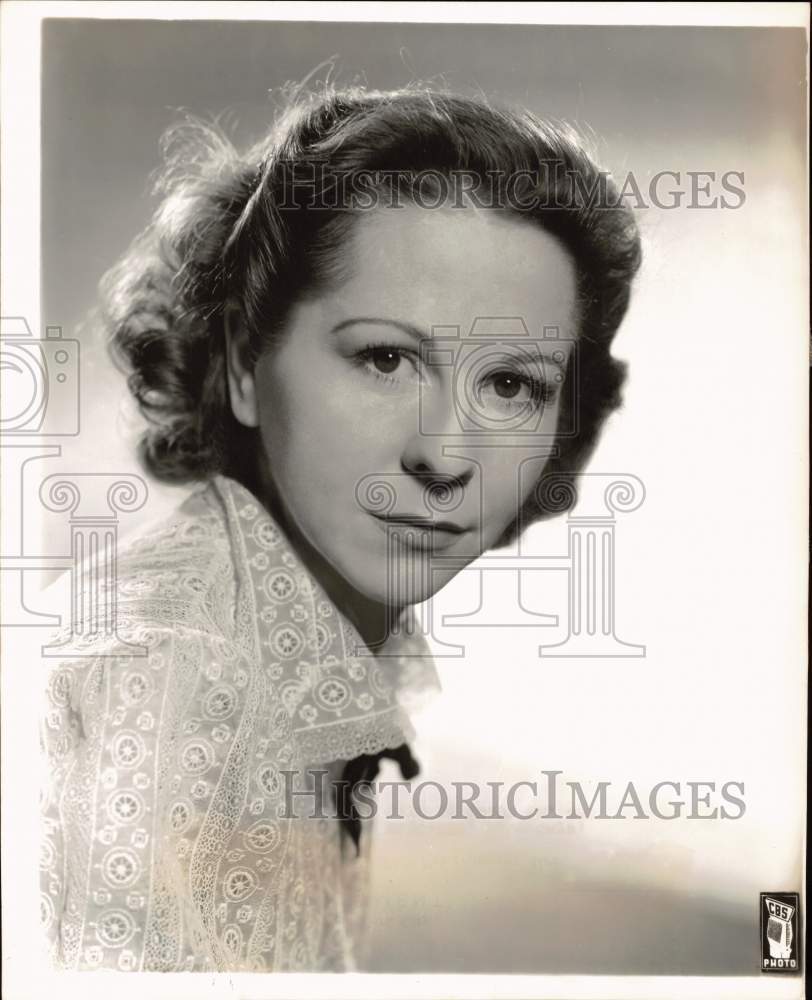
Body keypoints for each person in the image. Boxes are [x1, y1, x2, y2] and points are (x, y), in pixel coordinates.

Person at [38, 85, 641, 972]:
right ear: (246, 362)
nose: (445, 454)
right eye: (386, 358)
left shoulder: (283, 647)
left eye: (513, 384)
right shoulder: (164, 680)